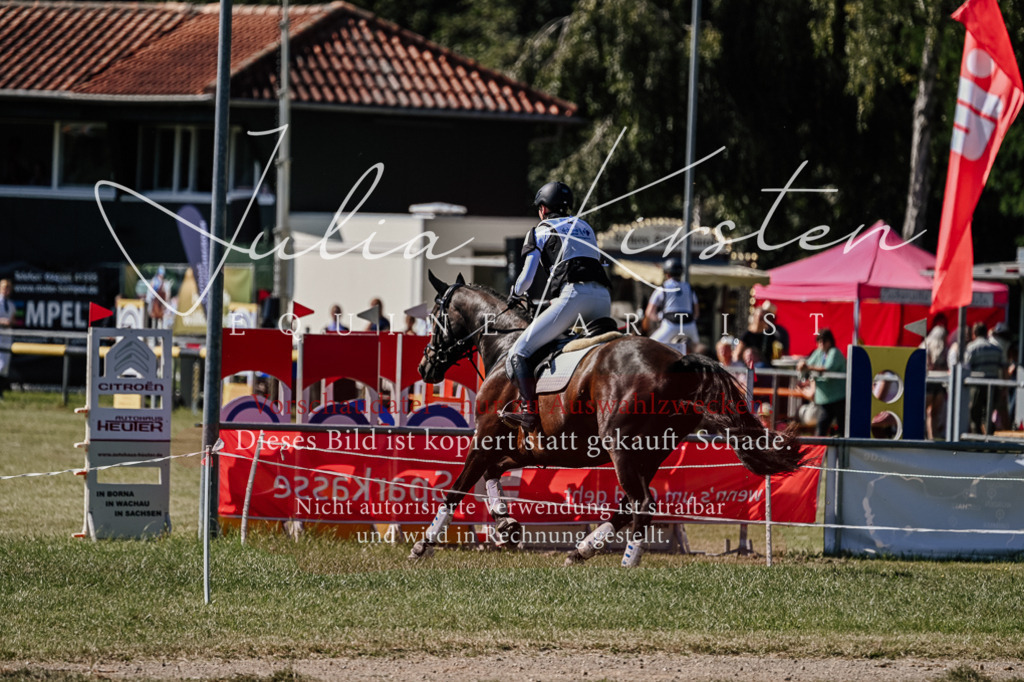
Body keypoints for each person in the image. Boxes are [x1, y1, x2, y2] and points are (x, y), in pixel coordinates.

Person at [501, 181, 612, 431]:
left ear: (543, 209)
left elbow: (527, 278)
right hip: (603, 296)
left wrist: (515, 293)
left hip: (574, 296)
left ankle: (529, 413)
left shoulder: (541, 229)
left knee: (519, 352)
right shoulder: (586, 227)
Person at [796, 328, 846, 436]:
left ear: (830, 341)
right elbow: (807, 365)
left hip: (840, 398)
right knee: (821, 427)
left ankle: (843, 451)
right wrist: (802, 366)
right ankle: (818, 451)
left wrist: (807, 367)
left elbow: (828, 368)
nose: (821, 343)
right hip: (826, 400)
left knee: (842, 429)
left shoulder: (835, 352)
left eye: (824, 340)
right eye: (819, 341)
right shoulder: (818, 353)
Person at [644, 257, 699, 348]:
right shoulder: (689, 287)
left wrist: (659, 318)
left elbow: (649, 312)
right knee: (698, 348)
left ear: (667, 274)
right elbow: (696, 313)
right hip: (690, 326)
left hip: (670, 325)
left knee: (650, 346)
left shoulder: (662, 288)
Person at [964, 321, 1005, 434]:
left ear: (974, 334)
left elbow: (966, 368)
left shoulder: (971, 348)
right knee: (988, 414)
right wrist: (1004, 387)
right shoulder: (996, 348)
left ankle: (977, 440)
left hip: (977, 386)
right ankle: (989, 440)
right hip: (993, 385)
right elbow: (1004, 369)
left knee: (974, 414)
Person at [922, 313, 949, 440]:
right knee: (930, 412)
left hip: (936, 383)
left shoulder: (927, 344)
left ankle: (931, 435)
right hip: (930, 382)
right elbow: (932, 366)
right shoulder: (937, 345)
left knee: (932, 412)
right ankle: (929, 435)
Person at [0, 279, 14, 400]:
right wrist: (2, 321)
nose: (6, 290)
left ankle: (1, 392)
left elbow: (14, 319)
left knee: (4, 367)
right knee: (0, 365)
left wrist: (10, 322)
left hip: (7, 336)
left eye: (8, 288)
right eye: (4, 287)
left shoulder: (11, 305)